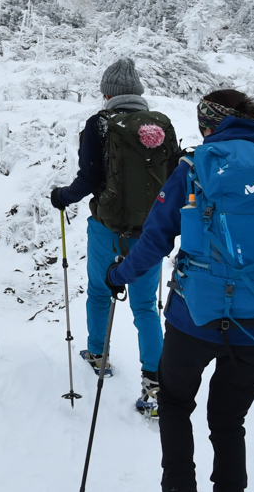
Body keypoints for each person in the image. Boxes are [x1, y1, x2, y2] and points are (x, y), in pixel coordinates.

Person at [106, 88, 254, 492]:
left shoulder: (193, 167)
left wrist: (119, 276)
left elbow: (154, 241)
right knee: (228, 422)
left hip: (193, 321)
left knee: (173, 404)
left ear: (210, 123)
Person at [49, 57, 180, 418]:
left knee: (98, 293)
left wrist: (62, 197)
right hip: (150, 236)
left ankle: (97, 354)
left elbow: (87, 180)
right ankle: (154, 385)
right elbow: (174, 183)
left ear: (109, 93)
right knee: (144, 308)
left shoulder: (100, 125)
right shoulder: (162, 126)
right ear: (137, 92)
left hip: (107, 229)